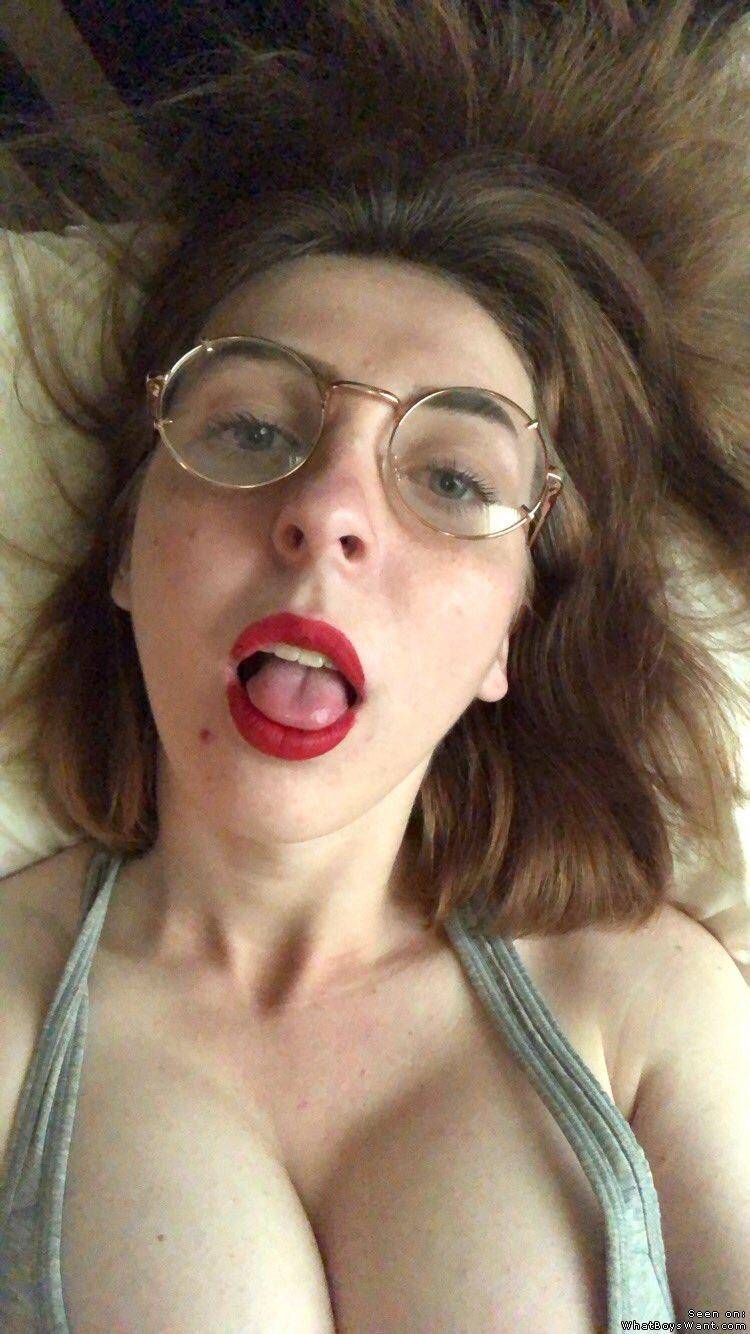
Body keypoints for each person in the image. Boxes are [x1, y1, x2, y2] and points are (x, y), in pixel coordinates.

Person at [1, 2, 749, 1330]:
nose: (329, 509)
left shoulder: (644, 1006)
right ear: (122, 548)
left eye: (451, 477)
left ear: (511, 635)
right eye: (249, 430)